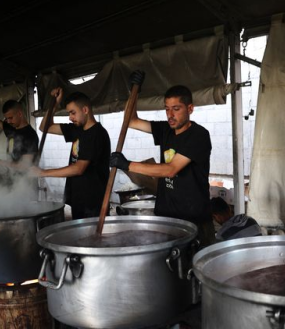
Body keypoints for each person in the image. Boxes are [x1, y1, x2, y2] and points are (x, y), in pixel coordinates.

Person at [110, 83, 215, 247]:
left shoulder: (198, 135)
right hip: (166, 218)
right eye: (167, 109)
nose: (170, 115)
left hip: (194, 220)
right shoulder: (164, 129)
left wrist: (127, 164)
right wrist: (133, 93)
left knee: (195, 268)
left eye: (176, 108)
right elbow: (131, 120)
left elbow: (170, 169)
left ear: (190, 108)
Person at [33, 89, 110, 219]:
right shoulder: (77, 129)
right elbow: (45, 127)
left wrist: (43, 173)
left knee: (92, 238)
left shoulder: (97, 134)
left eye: (73, 113)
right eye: (69, 113)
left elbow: (79, 168)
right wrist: (55, 104)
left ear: (85, 110)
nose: (70, 117)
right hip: (79, 199)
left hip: (93, 202)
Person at [0, 83, 39, 165]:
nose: (8, 121)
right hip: (10, 176)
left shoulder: (30, 135)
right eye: (6, 118)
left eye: (10, 118)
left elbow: (25, 167)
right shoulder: (10, 128)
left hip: (24, 178)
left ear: (20, 114)